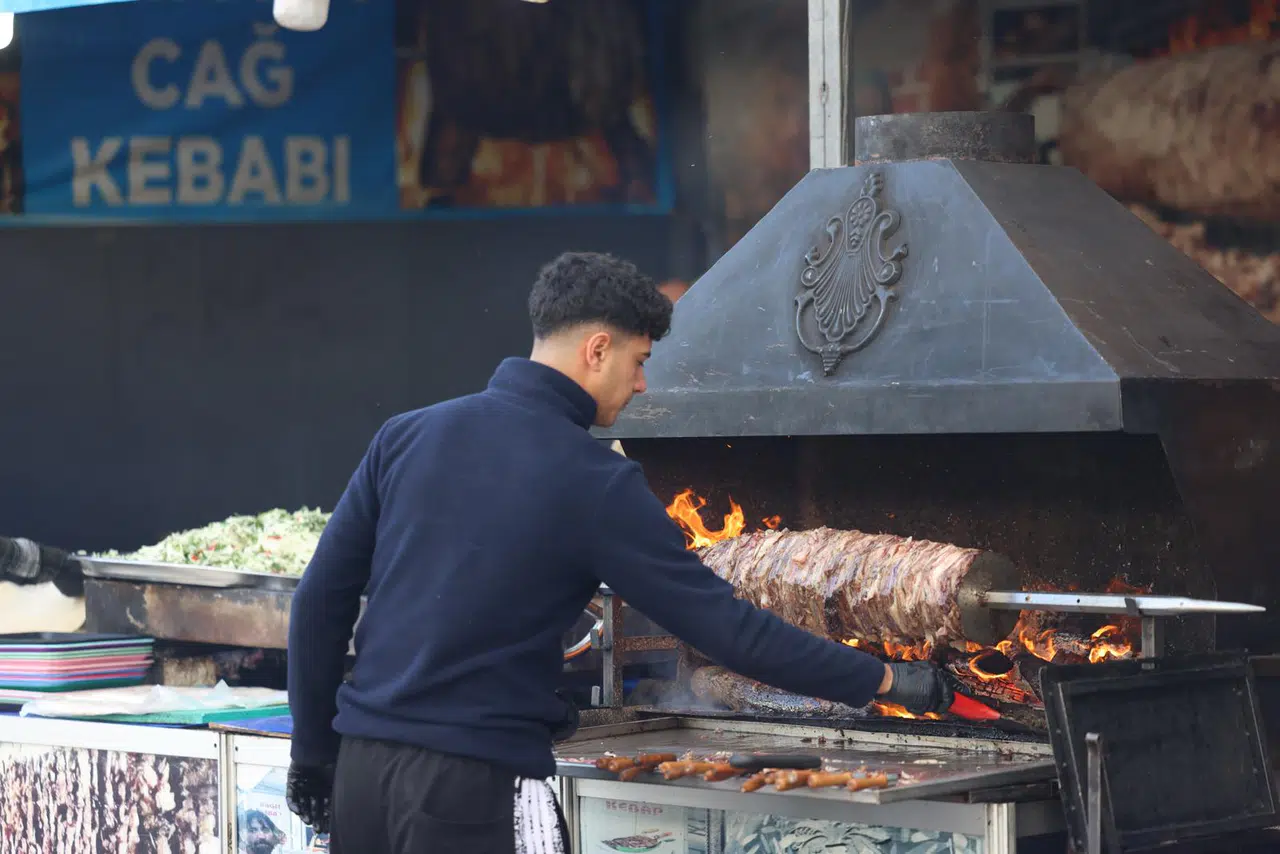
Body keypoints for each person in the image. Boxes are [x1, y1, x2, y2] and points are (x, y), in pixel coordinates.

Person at [285, 252, 953, 853]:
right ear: (597, 350)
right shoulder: (593, 480)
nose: (640, 387)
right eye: (639, 363)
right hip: (471, 788)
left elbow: (318, 603)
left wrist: (313, 755)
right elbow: (727, 629)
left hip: (363, 777)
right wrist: (884, 682)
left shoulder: (406, 436)